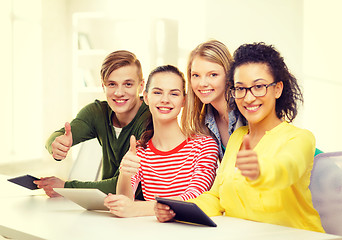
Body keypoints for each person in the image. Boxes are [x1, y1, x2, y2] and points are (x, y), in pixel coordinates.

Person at [155, 42, 325, 232]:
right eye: (240, 88)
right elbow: (216, 198)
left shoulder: (301, 138)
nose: (249, 97)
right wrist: (176, 209)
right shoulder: (237, 138)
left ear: (277, 89)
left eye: (259, 86)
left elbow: (286, 171)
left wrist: (261, 171)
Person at [104, 65, 218, 217]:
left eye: (174, 94)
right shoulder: (139, 151)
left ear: (183, 100)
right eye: (157, 92)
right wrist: (125, 174)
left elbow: (195, 197)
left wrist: (137, 208)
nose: (165, 100)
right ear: (145, 97)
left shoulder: (205, 146)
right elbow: (125, 202)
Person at [34, 50, 151, 198]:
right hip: (108, 208)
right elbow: (57, 136)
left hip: (141, 212)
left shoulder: (150, 119)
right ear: (103, 87)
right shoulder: (97, 112)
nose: (119, 92)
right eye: (112, 84)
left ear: (141, 86)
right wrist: (56, 145)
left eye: (128, 84)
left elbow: (123, 186)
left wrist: (67, 188)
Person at [181, 39, 245, 160]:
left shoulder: (246, 111)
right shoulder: (202, 122)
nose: (202, 83)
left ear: (228, 75)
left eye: (213, 75)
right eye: (196, 75)